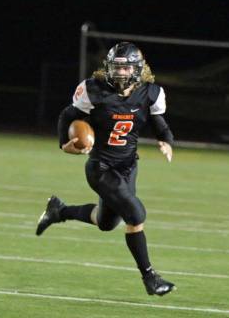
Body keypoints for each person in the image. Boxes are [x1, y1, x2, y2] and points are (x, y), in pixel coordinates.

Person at [35, 42, 176, 296]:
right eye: (116, 68)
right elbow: (67, 116)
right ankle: (150, 278)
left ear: (137, 69)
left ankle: (59, 211)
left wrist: (165, 140)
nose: (120, 73)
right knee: (136, 214)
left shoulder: (150, 93)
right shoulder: (95, 90)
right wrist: (65, 144)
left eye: (125, 68)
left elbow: (158, 121)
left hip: (128, 166)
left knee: (106, 222)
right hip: (100, 168)